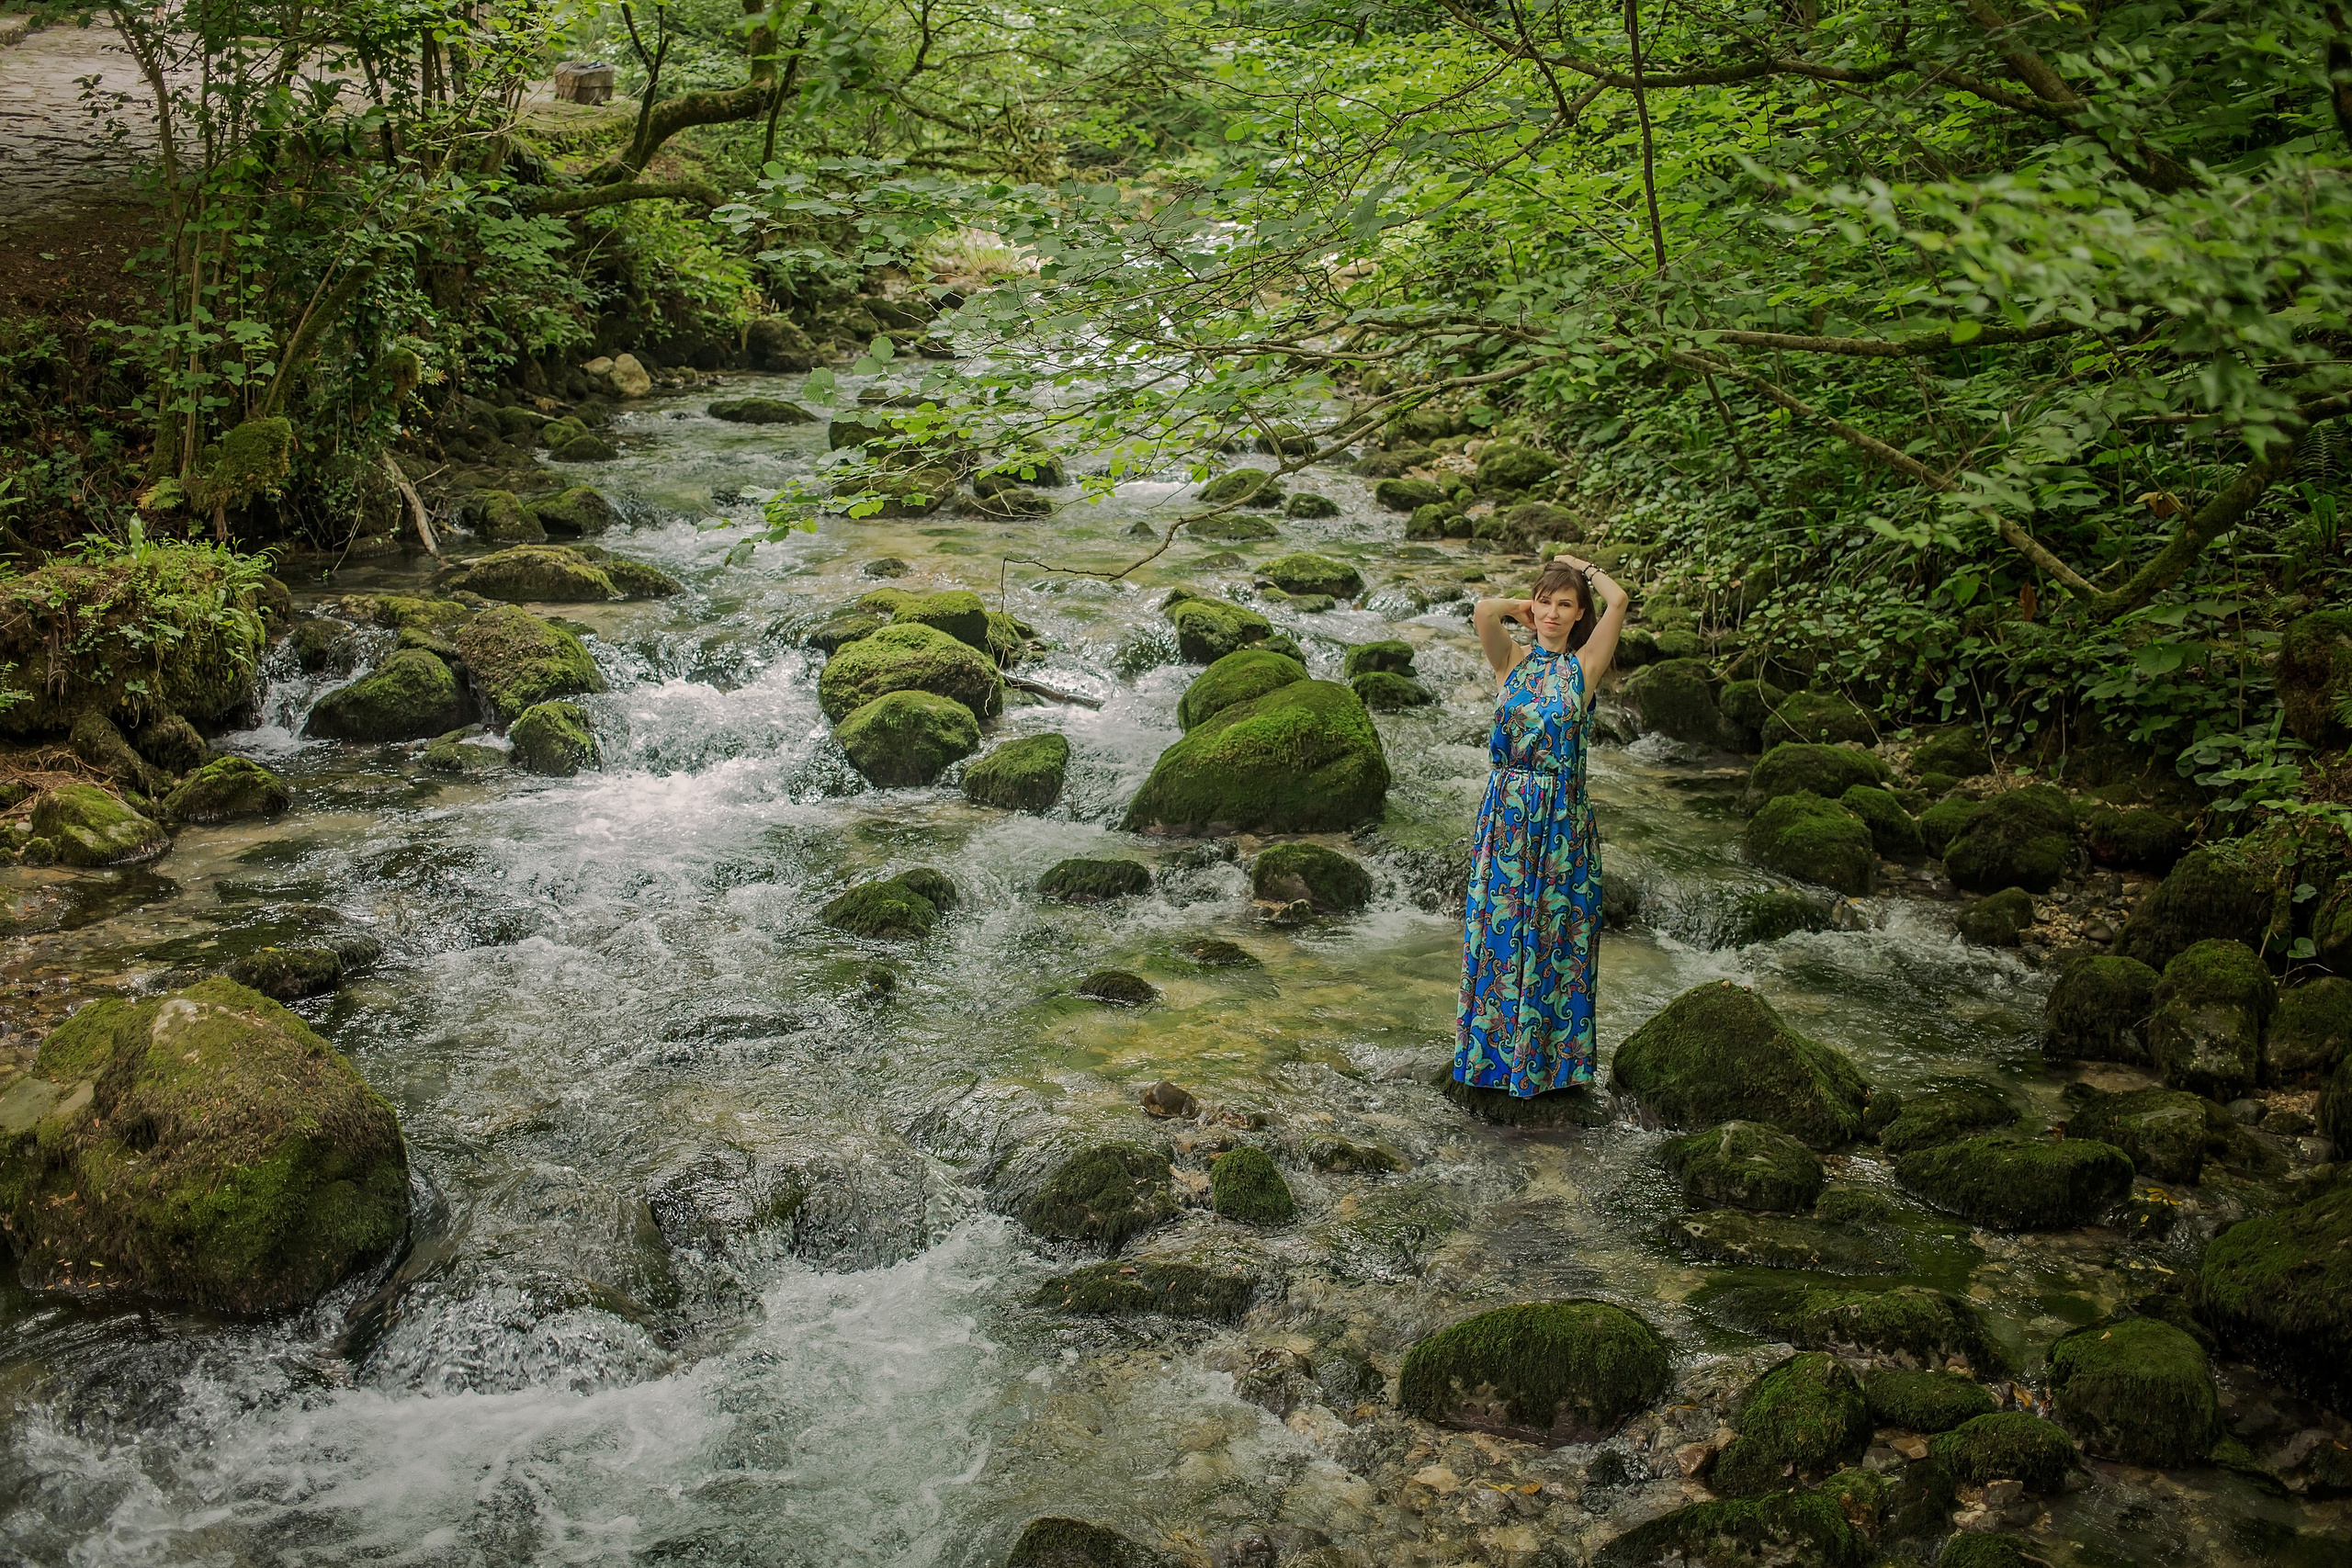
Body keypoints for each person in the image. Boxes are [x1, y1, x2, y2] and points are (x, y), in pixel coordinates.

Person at [1454, 554, 1630, 1098]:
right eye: (1546, 602)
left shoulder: (1585, 668)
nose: (1553, 613)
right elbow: (1484, 612)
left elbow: (1620, 600)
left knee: (1556, 937)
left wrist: (1583, 566)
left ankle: (1546, 1067)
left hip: (1560, 820)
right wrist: (1522, 607)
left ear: (1580, 615)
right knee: (1500, 928)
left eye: (1565, 605)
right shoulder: (1512, 659)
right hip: (1506, 812)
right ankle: (1491, 1059)